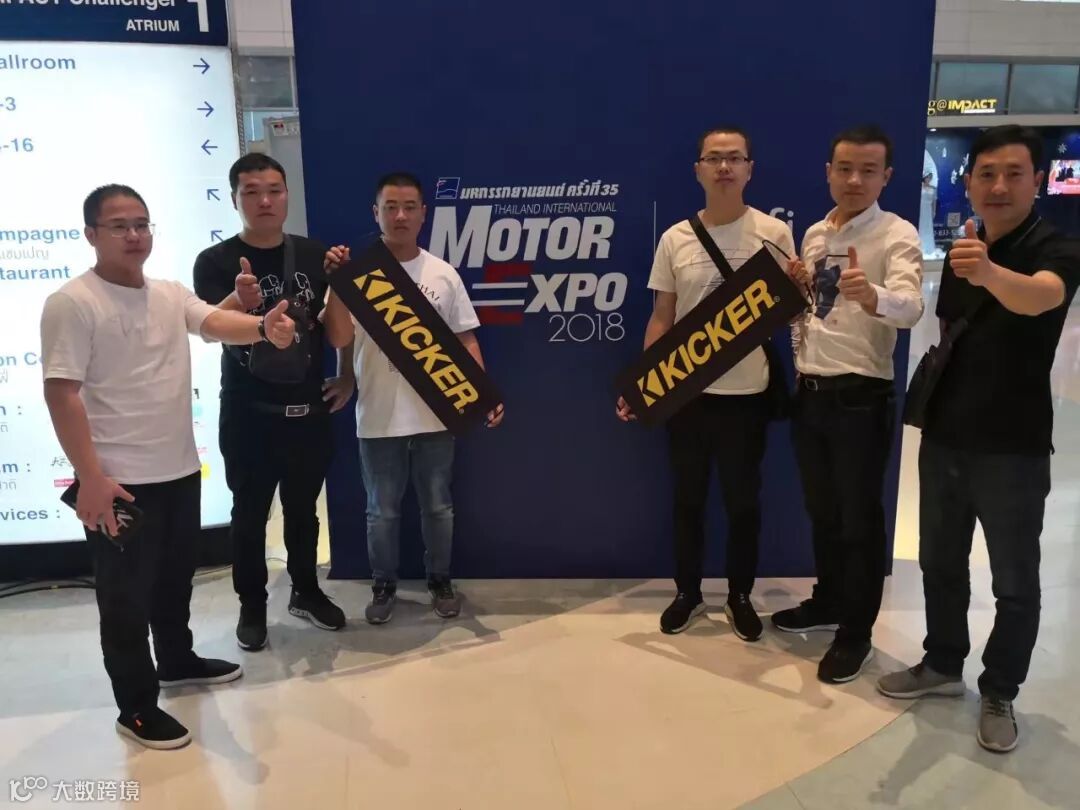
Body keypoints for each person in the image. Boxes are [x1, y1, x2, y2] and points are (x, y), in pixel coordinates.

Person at [41, 184, 297, 749]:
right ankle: (135, 708)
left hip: (178, 469)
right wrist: (90, 477)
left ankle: (176, 660)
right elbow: (62, 393)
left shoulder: (167, 292)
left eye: (142, 224)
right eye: (119, 226)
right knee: (125, 600)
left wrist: (262, 327)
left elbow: (211, 322)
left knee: (174, 580)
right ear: (91, 235)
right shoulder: (73, 302)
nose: (134, 235)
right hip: (119, 480)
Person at [877, 125, 1080, 753]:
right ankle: (943, 663)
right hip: (947, 436)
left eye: (1013, 173)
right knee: (940, 562)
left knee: (1014, 582)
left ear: (1037, 180)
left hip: (1013, 447)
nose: (998, 186)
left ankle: (1000, 690)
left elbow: (1041, 299)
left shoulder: (1056, 248)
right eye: (986, 174)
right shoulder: (966, 248)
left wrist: (989, 271)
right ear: (968, 183)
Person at [617, 127, 797, 640]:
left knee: (744, 503)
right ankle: (688, 593)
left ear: (749, 169)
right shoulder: (675, 238)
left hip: (749, 396)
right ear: (698, 169)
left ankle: (740, 595)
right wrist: (644, 385)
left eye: (734, 158)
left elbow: (789, 314)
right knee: (688, 500)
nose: (724, 167)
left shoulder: (775, 234)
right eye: (714, 158)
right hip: (687, 397)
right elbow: (662, 317)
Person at [770, 126, 923, 684]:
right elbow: (813, 311)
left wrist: (873, 295)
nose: (854, 180)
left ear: (886, 177)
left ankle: (856, 632)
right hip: (811, 392)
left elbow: (912, 307)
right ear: (829, 172)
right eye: (844, 168)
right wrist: (798, 289)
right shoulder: (815, 233)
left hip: (861, 397)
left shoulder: (896, 233)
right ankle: (830, 600)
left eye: (868, 170)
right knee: (823, 511)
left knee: (859, 520)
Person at [322, 172, 504, 624]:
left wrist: (482, 393)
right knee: (380, 512)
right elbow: (339, 337)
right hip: (378, 415)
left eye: (409, 207)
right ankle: (383, 584)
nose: (400, 216)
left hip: (437, 415)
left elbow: (466, 339)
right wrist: (338, 286)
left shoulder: (443, 274)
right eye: (390, 207)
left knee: (438, 507)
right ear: (376, 213)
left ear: (424, 213)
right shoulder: (357, 273)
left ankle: (439, 580)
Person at [193, 154, 352, 652]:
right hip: (249, 414)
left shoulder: (315, 255)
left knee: (304, 511)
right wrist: (239, 302)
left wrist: (340, 286)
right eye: (251, 191)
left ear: (286, 195)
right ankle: (252, 605)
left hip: (308, 412)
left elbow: (338, 333)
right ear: (234, 199)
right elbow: (210, 330)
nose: (264, 200)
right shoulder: (214, 262)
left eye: (274, 190)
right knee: (249, 514)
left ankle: (305, 590)